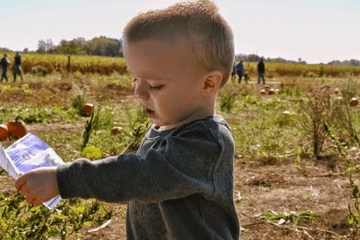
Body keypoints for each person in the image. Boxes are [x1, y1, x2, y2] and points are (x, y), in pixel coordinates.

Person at [15, 1, 240, 239]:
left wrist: (64, 179)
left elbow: (141, 176)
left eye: (155, 85)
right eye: (135, 80)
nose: (138, 93)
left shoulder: (205, 142)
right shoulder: (161, 129)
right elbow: (129, 176)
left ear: (208, 83)